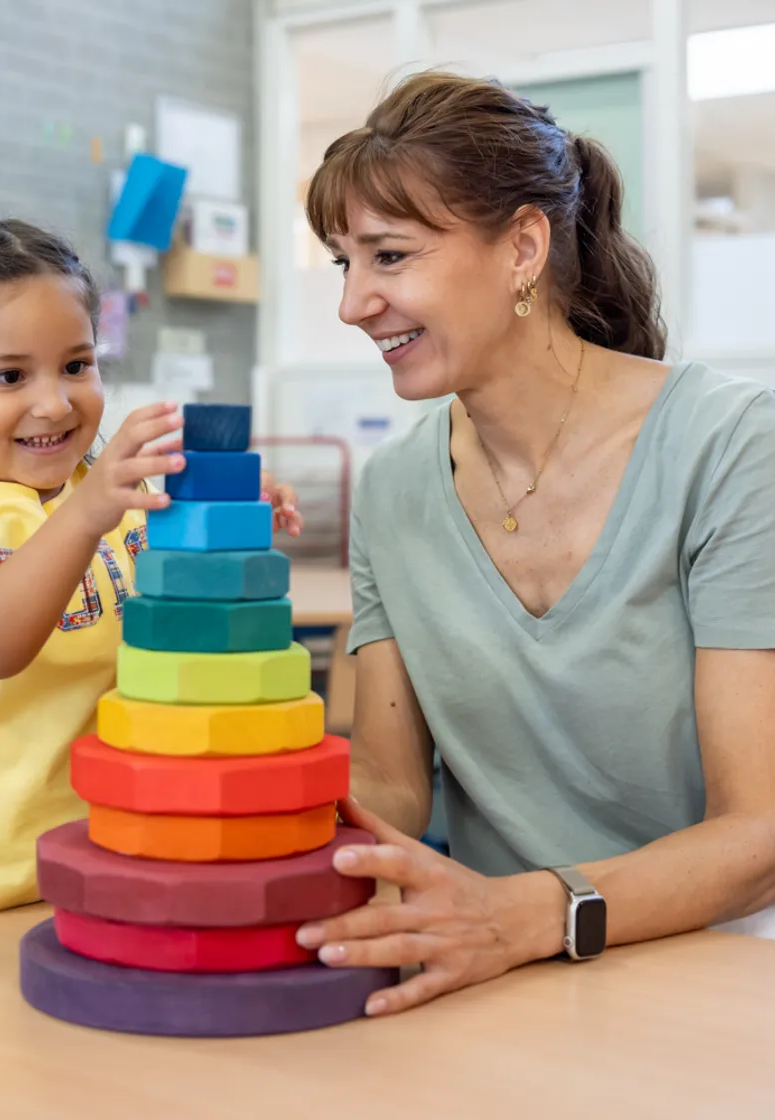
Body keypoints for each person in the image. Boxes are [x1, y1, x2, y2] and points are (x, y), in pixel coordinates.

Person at [293, 72, 775, 1016]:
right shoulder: (393, 492)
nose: (353, 305)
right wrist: (221, 791)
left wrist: (524, 916)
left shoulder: (730, 446)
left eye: (388, 257)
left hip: (719, 975)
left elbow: (758, 832)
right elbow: (393, 782)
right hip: (492, 975)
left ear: (522, 246)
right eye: (344, 264)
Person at [0, 219, 302, 934]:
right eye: (9, 376)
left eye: (77, 366)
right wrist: (87, 512)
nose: (55, 403)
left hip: (136, 858)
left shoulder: (121, 497)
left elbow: (200, 623)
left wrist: (231, 504)